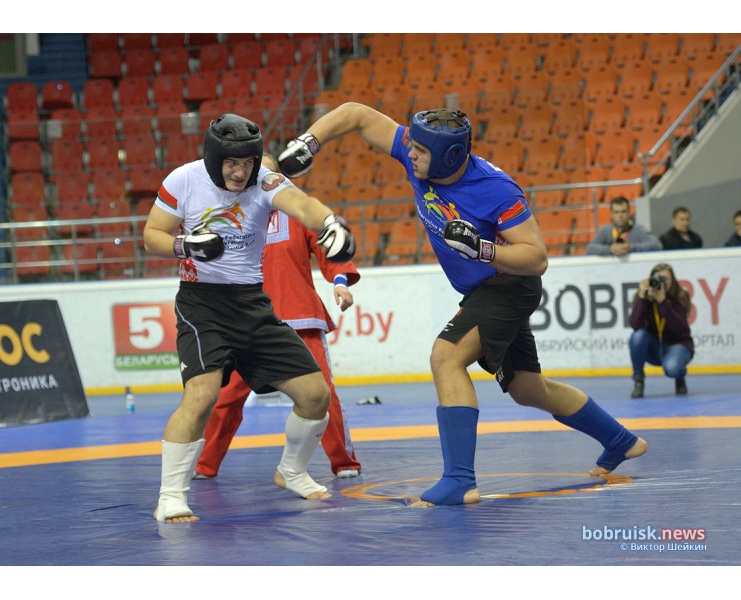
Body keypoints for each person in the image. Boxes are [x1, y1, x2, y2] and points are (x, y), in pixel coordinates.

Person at [277, 103, 647, 507]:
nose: (408, 153)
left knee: (446, 357)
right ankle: (619, 439)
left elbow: (537, 257)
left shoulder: (496, 189)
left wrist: (483, 248)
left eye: (419, 150)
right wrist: (309, 142)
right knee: (526, 388)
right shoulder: (418, 156)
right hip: (485, 289)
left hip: (508, 285)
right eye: (411, 146)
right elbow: (357, 115)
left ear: (448, 156)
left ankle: (459, 480)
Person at [144, 113, 356, 523]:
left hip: (252, 304)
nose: (240, 173)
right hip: (202, 304)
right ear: (213, 158)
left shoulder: (264, 180)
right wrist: (184, 245)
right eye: (231, 163)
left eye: (247, 163)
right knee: (202, 397)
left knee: (315, 395)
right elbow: (152, 234)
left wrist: (330, 222)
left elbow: (303, 205)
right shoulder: (183, 180)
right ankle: (170, 496)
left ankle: (291, 471)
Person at [193, 154, 362, 480]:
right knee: (225, 399)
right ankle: (205, 464)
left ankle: (344, 462)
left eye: (268, 173)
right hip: (247, 324)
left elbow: (331, 248)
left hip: (300, 320)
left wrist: (340, 281)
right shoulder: (229, 218)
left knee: (322, 394)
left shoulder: (300, 212)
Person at [628, 263, 694, 398]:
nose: (662, 283)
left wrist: (662, 302)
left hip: (678, 345)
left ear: (673, 280)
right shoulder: (644, 297)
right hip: (654, 347)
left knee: (673, 368)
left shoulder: (681, 296)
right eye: (658, 279)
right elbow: (635, 324)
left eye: (665, 279)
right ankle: (638, 380)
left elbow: (679, 328)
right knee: (637, 336)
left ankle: (679, 377)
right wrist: (642, 297)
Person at [585, 196, 663, 256]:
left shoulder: (638, 229)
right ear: (611, 214)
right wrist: (610, 249)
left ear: (629, 213)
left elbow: (657, 245)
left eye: (623, 211)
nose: (620, 216)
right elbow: (590, 249)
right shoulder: (605, 230)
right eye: (616, 212)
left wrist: (631, 247)